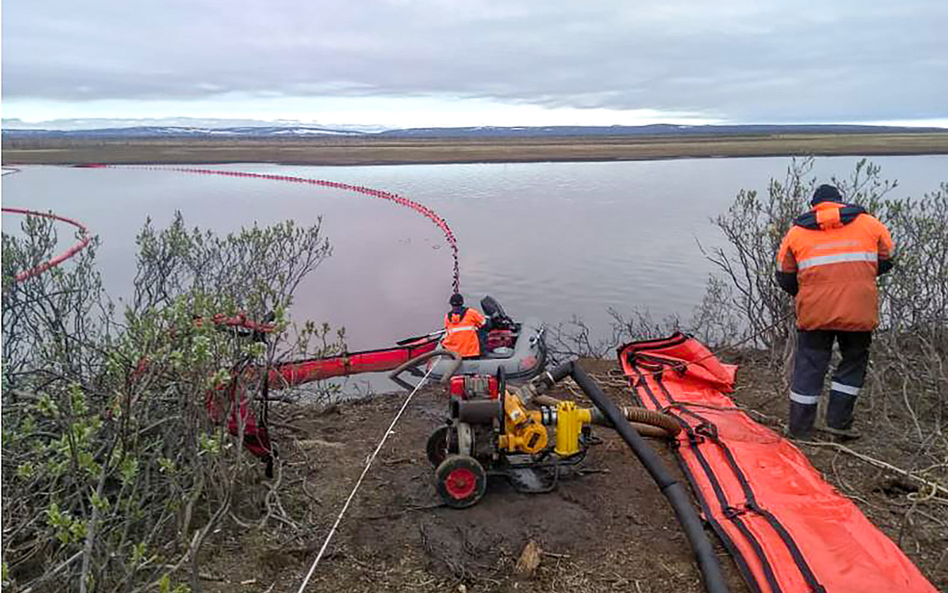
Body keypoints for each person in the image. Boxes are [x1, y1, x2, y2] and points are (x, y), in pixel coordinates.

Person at [776, 184, 894, 439]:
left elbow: (785, 278)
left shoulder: (796, 233)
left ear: (814, 206)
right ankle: (838, 425)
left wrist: (809, 291)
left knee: (810, 366)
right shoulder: (870, 224)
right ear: (841, 202)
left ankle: (799, 430)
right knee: (853, 362)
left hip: (815, 313)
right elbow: (885, 260)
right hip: (858, 310)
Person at [441, 293, 486, 358]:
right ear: (462, 303)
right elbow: (484, 323)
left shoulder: (447, 317)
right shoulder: (471, 312)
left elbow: (448, 330)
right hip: (471, 352)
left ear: (451, 304)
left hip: (453, 353)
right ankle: (483, 353)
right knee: (482, 332)